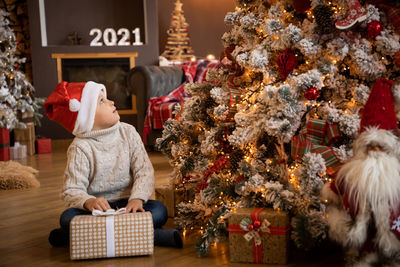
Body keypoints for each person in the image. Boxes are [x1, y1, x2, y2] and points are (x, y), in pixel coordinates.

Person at [44, 81, 182, 248]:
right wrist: (88, 201)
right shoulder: (80, 147)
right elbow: (71, 190)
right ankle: (153, 236)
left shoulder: (128, 132)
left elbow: (144, 171)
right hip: (98, 211)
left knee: (160, 211)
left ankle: (77, 236)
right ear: (87, 118)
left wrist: (137, 199)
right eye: (102, 101)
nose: (112, 102)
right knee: (67, 218)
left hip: (129, 204)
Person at [322, 78, 400, 266]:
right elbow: (334, 190)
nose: (375, 152)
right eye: (370, 147)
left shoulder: (396, 174)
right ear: (362, 148)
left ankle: (392, 255)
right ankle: (363, 254)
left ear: (390, 149)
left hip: (394, 226)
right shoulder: (350, 173)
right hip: (357, 224)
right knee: (358, 237)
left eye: (380, 147)